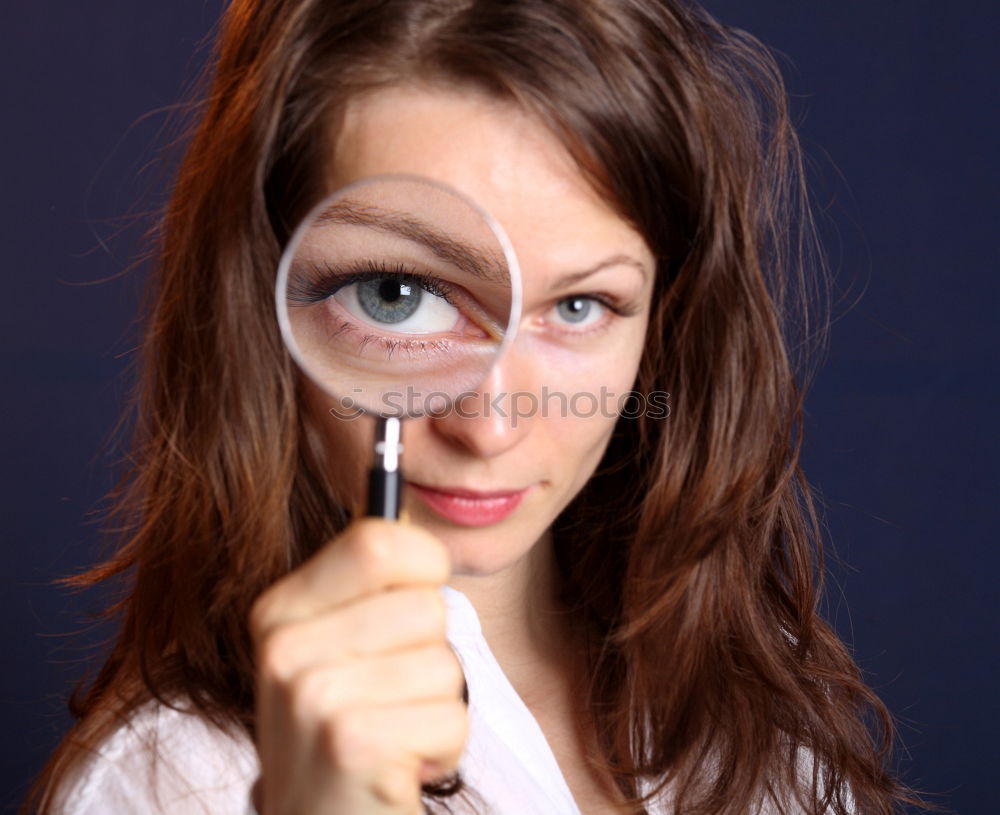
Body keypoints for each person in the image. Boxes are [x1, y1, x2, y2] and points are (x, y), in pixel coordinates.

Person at [25, 1, 924, 813]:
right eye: (397, 296)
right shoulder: (168, 785)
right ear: (254, 303)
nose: (491, 425)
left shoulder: (752, 716)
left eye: (580, 306)